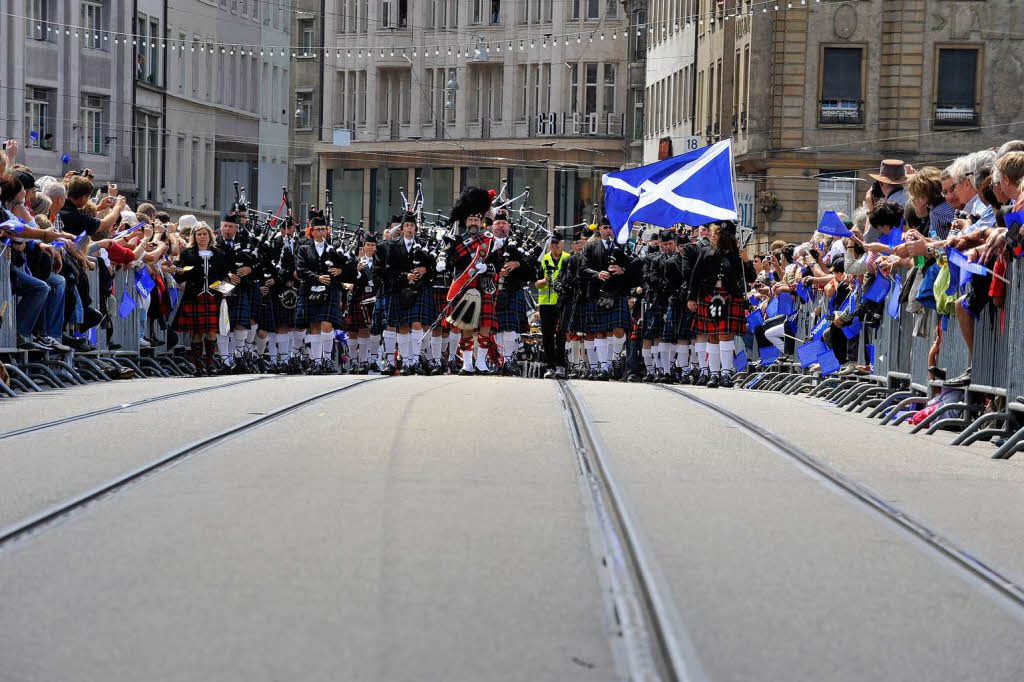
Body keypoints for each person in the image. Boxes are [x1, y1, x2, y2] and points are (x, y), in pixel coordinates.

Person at [687, 222, 755, 388]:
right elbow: (695, 277)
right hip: (709, 296)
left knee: (725, 335)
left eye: (716, 234)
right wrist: (691, 298)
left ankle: (726, 373)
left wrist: (747, 262)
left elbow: (751, 278)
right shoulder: (705, 252)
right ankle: (714, 374)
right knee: (712, 336)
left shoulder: (737, 255)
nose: (712, 236)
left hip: (730, 296)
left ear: (726, 236)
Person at [581, 216, 637, 380]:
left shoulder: (623, 247)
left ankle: (616, 357)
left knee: (618, 329)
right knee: (600, 332)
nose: (607, 230)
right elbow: (583, 269)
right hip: (598, 293)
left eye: (610, 227)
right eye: (604, 227)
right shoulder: (591, 247)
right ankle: (604, 368)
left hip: (617, 292)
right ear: (599, 230)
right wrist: (597, 274)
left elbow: (636, 265)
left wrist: (623, 269)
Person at [294, 213, 350, 373]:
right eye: (317, 230)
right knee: (314, 326)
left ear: (327, 231)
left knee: (327, 324)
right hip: (310, 290)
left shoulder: (335, 247)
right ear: (311, 231)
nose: (320, 233)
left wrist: (340, 270)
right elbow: (301, 270)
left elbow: (348, 265)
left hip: (330, 291)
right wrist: (318, 278)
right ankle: (317, 362)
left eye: (323, 229)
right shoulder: (304, 249)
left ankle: (327, 360)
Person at [171, 222, 229, 372]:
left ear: (210, 236)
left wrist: (225, 291)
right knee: (196, 332)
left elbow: (224, 275)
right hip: (194, 296)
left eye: (205, 234)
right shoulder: (187, 253)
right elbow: (181, 274)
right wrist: (180, 273)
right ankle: (198, 366)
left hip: (213, 297)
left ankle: (210, 364)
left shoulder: (219, 254)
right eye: (199, 234)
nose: (202, 237)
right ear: (194, 237)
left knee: (211, 332)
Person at [383, 212, 437, 375]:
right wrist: (404, 275)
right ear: (402, 228)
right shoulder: (392, 245)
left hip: (420, 288)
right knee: (402, 326)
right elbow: (388, 269)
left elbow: (434, 268)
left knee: (417, 324)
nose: (409, 228)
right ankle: (406, 361)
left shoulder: (423, 244)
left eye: (412, 226)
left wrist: (426, 269)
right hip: (400, 288)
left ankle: (415, 360)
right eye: (406, 225)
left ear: (416, 228)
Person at [491, 209, 538, 375]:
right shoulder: (487, 244)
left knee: (511, 328)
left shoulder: (519, 244)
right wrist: (497, 274)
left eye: (503, 223)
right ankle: (498, 359)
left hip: (513, 290)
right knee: (496, 329)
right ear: (492, 226)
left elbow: (533, 270)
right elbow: (480, 267)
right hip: (493, 291)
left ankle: (509, 360)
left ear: (508, 226)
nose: (500, 226)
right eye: (497, 223)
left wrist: (517, 264)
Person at [536, 233, 570, 378]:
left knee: (561, 335)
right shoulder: (543, 259)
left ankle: (561, 366)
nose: (555, 246)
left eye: (557, 243)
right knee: (547, 336)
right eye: (552, 243)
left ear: (562, 243)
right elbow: (536, 284)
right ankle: (550, 366)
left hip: (563, 302)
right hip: (546, 303)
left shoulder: (568, 258)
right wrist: (545, 280)